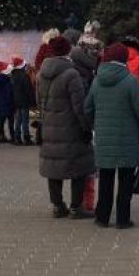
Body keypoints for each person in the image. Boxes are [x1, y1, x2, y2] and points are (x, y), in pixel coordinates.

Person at [86, 43, 139, 230]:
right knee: (125, 180)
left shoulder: (97, 81)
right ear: (124, 59)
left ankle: (102, 217)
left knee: (105, 179)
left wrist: (95, 124)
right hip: (127, 139)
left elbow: (87, 108)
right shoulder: (131, 81)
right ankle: (123, 219)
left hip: (103, 140)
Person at [37, 36, 95, 219]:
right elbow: (79, 106)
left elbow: (39, 102)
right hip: (71, 128)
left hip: (49, 127)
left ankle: (57, 206)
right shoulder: (72, 74)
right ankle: (76, 207)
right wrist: (87, 127)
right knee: (80, 167)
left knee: (53, 168)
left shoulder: (41, 74)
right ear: (67, 51)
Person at [11, 56, 35, 146]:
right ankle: (26, 138)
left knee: (18, 120)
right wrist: (33, 101)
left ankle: (17, 138)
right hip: (24, 100)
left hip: (16, 100)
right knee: (25, 120)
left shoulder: (13, 75)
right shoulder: (24, 76)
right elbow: (28, 89)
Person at [0, 62, 15, 143]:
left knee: (1, 121)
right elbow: (10, 92)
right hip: (8, 103)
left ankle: (2, 136)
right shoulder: (8, 80)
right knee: (11, 121)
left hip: (0, 103)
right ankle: (13, 137)